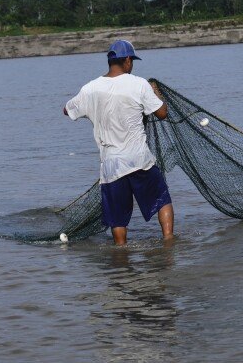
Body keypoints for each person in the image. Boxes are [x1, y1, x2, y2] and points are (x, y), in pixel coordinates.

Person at [62, 39, 174, 246]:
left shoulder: (90, 88)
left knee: (118, 218)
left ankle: (121, 255)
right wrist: (156, 91)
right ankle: (168, 242)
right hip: (139, 160)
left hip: (112, 166)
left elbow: (67, 110)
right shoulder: (139, 84)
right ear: (128, 61)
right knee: (162, 200)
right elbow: (162, 113)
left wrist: (93, 110)